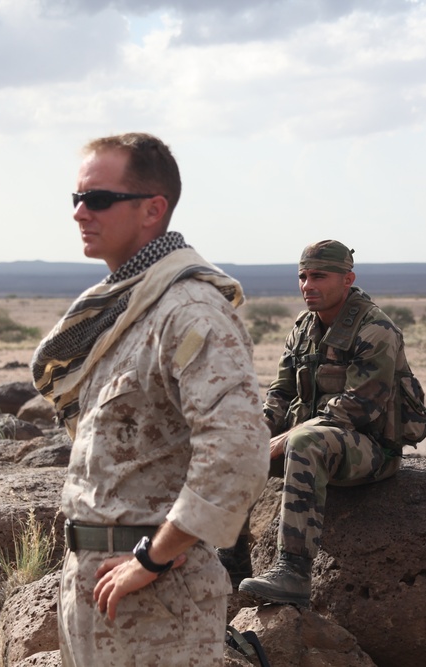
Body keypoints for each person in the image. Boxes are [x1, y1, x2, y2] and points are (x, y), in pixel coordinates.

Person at [30, 132, 268, 666]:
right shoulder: (124, 314)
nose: (79, 214)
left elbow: (237, 452)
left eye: (97, 199)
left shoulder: (190, 311)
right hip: (96, 586)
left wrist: (155, 557)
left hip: (157, 598)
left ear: (152, 209)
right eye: (77, 199)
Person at [234, 240, 418, 607]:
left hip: (370, 448)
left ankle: (294, 572)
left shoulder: (375, 328)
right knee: (236, 445)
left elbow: (360, 406)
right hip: (317, 442)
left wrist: (288, 438)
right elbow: (281, 393)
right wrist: (256, 435)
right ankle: (231, 557)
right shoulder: (303, 327)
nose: (307, 285)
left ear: (347, 279)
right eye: (302, 277)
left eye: (319, 276)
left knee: (305, 443)